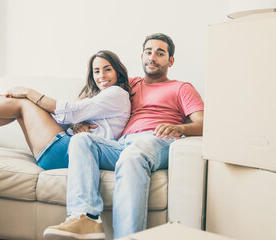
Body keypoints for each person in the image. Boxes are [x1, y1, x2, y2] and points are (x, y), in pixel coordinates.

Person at [43, 33, 204, 239]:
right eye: (148, 52)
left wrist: (180, 128)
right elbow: (86, 101)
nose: (152, 57)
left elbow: (203, 124)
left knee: (132, 156)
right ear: (141, 56)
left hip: (158, 139)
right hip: (122, 143)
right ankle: (86, 218)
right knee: (82, 140)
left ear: (170, 61)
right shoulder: (130, 83)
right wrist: (79, 122)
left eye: (160, 53)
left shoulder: (181, 88)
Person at [0, 50, 131, 170]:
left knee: (24, 104)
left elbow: (72, 110)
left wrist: (28, 92)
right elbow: (68, 117)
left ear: (118, 71)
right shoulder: (99, 97)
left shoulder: (117, 93)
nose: (101, 75)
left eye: (107, 69)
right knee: (20, 110)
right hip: (63, 152)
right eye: (96, 71)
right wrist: (77, 124)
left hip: (67, 152)